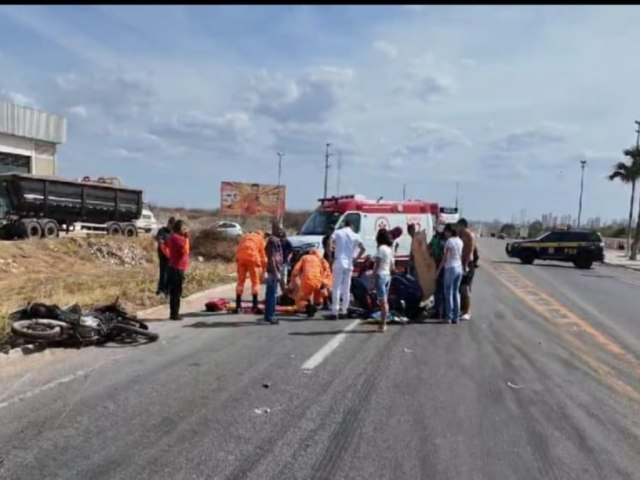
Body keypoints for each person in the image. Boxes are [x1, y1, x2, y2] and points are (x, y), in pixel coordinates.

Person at [330, 219, 366, 319]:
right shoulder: (355, 235)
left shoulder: (338, 232)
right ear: (351, 226)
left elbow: (330, 240)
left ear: (344, 225)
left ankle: (335, 311)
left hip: (339, 261)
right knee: (346, 288)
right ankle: (344, 310)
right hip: (349, 262)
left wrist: (330, 254)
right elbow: (363, 249)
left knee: (336, 287)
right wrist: (356, 259)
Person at [289, 248, 331, 317]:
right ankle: (316, 305)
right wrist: (325, 284)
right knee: (318, 299)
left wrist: (293, 280)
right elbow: (328, 272)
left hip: (308, 281)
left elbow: (296, 269)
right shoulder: (322, 260)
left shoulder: (305, 258)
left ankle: (309, 306)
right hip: (319, 282)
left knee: (300, 300)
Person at [436, 223, 464, 324]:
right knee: (456, 292)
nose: (445, 233)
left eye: (446, 231)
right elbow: (460, 255)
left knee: (448, 293)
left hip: (450, 268)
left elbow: (445, 257)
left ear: (449, 231)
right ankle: (456, 317)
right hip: (458, 267)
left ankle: (448, 316)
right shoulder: (460, 241)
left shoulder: (449, 241)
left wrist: (438, 270)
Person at [235, 229, 267, 313]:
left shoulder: (245, 237)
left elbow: (238, 250)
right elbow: (263, 257)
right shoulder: (260, 239)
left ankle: (238, 306)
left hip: (241, 259)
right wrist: (264, 270)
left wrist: (238, 262)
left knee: (240, 282)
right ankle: (255, 306)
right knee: (255, 282)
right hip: (252, 259)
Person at [261, 221, 284, 325]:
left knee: (272, 293)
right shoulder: (272, 241)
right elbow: (271, 259)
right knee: (271, 294)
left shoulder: (277, 240)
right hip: (272, 271)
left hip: (275, 270)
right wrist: (276, 273)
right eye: (279, 229)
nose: (281, 230)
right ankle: (270, 315)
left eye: (281, 229)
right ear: (274, 229)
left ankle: (269, 315)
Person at [167, 219, 190, 321]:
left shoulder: (174, 237)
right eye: (184, 228)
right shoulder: (177, 238)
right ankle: (174, 314)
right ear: (180, 228)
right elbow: (184, 251)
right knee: (176, 292)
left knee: (175, 292)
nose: (185, 231)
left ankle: (174, 313)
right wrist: (186, 239)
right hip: (177, 268)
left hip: (176, 267)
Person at [374, 229, 395, 332]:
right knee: (384, 300)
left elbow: (377, 264)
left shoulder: (380, 249)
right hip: (387, 275)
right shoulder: (389, 249)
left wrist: (373, 275)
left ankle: (383, 324)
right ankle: (383, 322)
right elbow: (392, 266)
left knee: (382, 301)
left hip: (381, 275)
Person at [457, 218, 477, 321]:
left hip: (468, 264)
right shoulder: (460, 235)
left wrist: (466, 264)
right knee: (461, 288)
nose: (458, 228)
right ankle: (462, 309)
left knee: (466, 288)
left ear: (463, 225)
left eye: (459, 226)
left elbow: (470, 250)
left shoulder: (470, 235)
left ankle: (468, 311)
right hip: (461, 263)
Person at [428, 223, 446, 320]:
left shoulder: (437, 240)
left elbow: (429, 248)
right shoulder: (441, 240)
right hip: (439, 266)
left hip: (438, 265)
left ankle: (438, 310)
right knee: (440, 290)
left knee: (439, 290)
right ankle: (440, 311)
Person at [155, 217, 175, 296]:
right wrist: (162, 241)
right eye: (172, 225)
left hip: (171, 256)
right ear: (169, 223)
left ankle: (167, 290)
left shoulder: (173, 233)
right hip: (163, 255)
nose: (172, 228)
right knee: (163, 273)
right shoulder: (162, 231)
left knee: (170, 274)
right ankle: (160, 289)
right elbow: (159, 241)